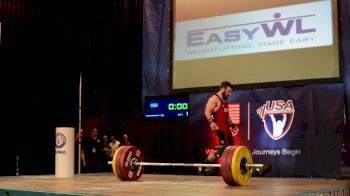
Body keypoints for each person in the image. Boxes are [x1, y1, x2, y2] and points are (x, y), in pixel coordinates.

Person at [199, 81, 238, 175]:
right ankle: (203, 166)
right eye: (228, 91)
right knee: (220, 152)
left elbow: (227, 117)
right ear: (223, 89)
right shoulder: (214, 99)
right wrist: (210, 121)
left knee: (232, 151)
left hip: (227, 131)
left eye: (231, 92)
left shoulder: (225, 100)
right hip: (218, 130)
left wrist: (232, 125)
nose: (230, 94)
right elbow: (207, 111)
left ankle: (231, 172)